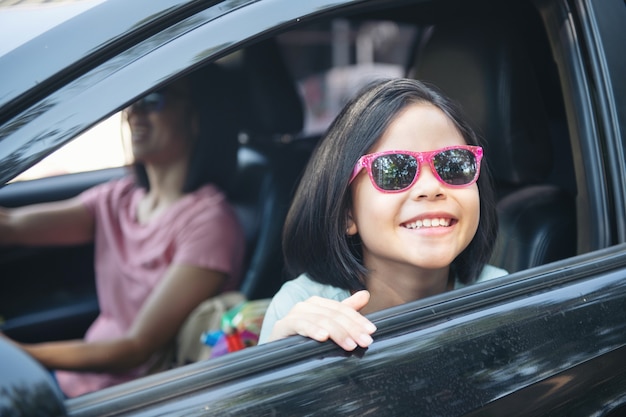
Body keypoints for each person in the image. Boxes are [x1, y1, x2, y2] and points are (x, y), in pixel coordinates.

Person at [0, 65, 246, 397]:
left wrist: (19, 354)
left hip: (129, 398)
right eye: (133, 101)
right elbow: (11, 226)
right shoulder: (119, 199)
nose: (134, 113)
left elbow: (136, 347)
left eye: (154, 99)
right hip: (75, 383)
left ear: (197, 116)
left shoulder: (210, 224)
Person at [258, 78, 507, 350]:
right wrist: (284, 359)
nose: (430, 188)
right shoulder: (301, 310)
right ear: (346, 214)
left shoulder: (501, 298)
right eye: (394, 169)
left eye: (453, 164)